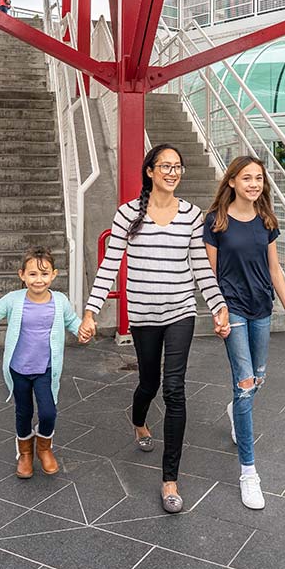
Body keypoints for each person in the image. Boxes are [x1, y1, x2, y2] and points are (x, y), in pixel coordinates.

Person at [79, 144, 228, 513]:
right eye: (165, 166)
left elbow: (200, 267)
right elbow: (109, 265)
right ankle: (139, 421)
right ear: (150, 171)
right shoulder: (128, 215)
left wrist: (218, 304)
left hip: (180, 313)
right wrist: (90, 311)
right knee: (149, 382)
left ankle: (170, 479)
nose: (173, 172)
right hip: (144, 315)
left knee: (175, 389)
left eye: (178, 166)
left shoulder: (192, 215)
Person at [203, 155, 285, 510]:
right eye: (247, 178)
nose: (254, 184)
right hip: (235, 310)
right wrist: (219, 312)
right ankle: (248, 473)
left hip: (262, 309)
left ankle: (233, 411)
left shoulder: (266, 220)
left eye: (259, 178)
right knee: (245, 385)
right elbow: (210, 275)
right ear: (231, 182)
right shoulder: (216, 222)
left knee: (258, 379)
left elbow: (275, 270)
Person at [0, 246, 89, 478]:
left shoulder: (60, 301)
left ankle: (44, 448)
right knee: (23, 412)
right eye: (33, 274)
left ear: (54, 274)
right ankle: (25, 453)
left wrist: (82, 330)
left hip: (46, 369)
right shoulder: (13, 300)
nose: (39, 280)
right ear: (22, 275)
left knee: (48, 412)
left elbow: (72, 322)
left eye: (45, 273)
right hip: (19, 370)